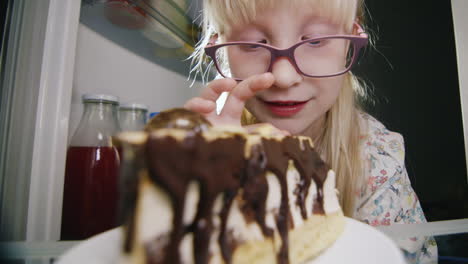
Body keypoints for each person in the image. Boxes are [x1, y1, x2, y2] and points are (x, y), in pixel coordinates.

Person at [184, 0, 437, 263]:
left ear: (350, 42)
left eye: (315, 40)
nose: (283, 77)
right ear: (220, 46)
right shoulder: (207, 148)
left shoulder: (377, 158)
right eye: (252, 43)